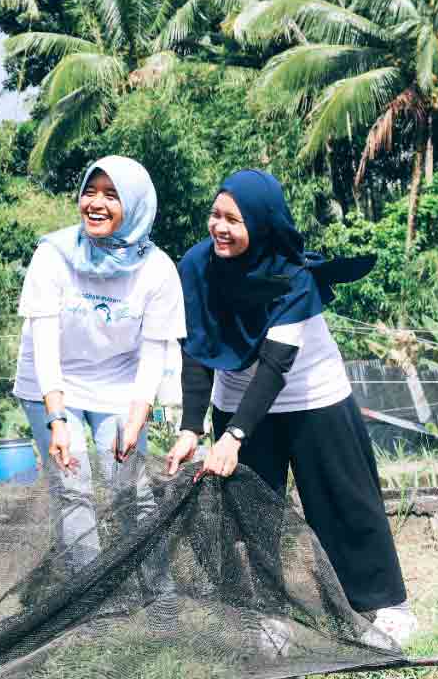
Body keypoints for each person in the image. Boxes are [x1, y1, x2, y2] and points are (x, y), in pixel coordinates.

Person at [165, 169, 417, 646]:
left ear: (259, 225)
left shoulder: (293, 275)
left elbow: (276, 364)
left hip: (311, 393)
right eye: (215, 215)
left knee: (343, 502)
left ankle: (380, 608)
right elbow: (195, 347)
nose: (219, 227)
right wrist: (191, 428)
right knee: (248, 515)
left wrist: (234, 437)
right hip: (238, 397)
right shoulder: (196, 264)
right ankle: (263, 618)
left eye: (233, 220)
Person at [12, 156, 184, 576]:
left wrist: (138, 413)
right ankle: (87, 599)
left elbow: (154, 349)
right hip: (50, 384)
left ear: (137, 206)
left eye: (112, 195)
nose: (96, 203)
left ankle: (158, 596)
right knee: (72, 489)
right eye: (90, 191)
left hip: (119, 383)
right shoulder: (52, 256)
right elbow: (44, 342)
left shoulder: (157, 269)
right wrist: (57, 420)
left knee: (131, 489)